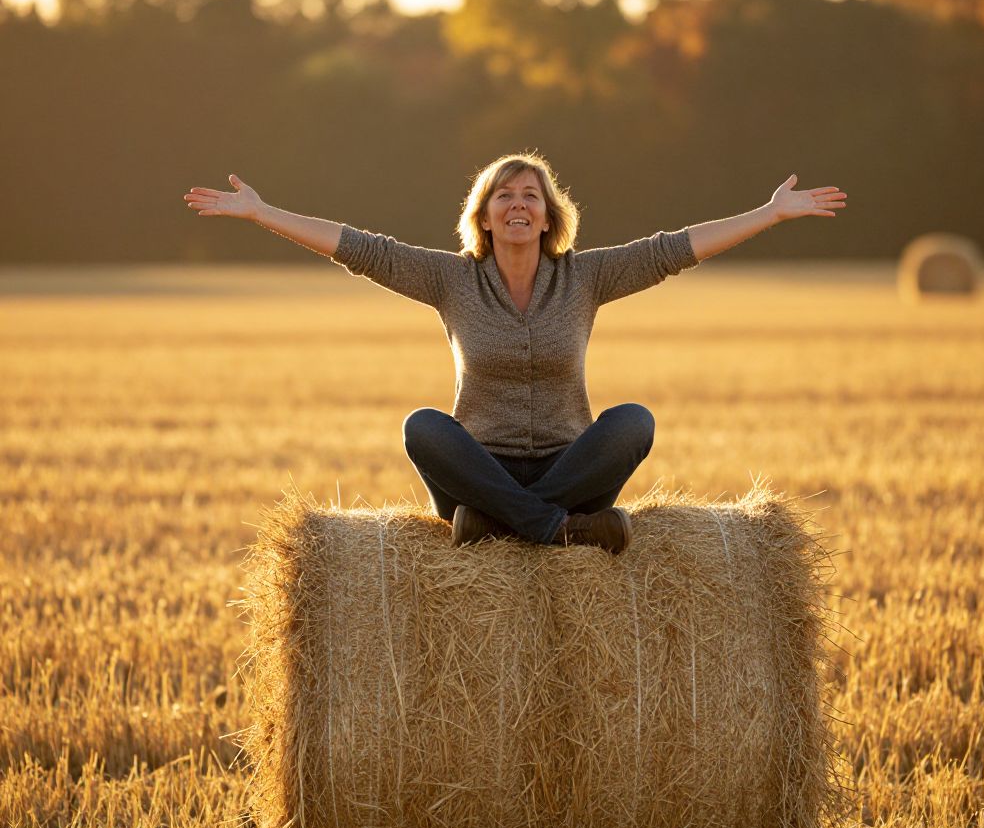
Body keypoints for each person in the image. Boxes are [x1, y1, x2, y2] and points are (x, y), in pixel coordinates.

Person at [184, 152, 847, 554]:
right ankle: (557, 532)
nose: (519, 204)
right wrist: (261, 213)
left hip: (570, 466)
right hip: (478, 473)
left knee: (633, 422)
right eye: (505, 195)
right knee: (423, 428)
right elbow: (360, 248)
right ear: (485, 215)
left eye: (531, 195)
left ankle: (509, 529)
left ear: (550, 216)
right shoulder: (451, 279)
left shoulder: (586, 278)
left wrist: (771, 214)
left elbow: (674, 249)